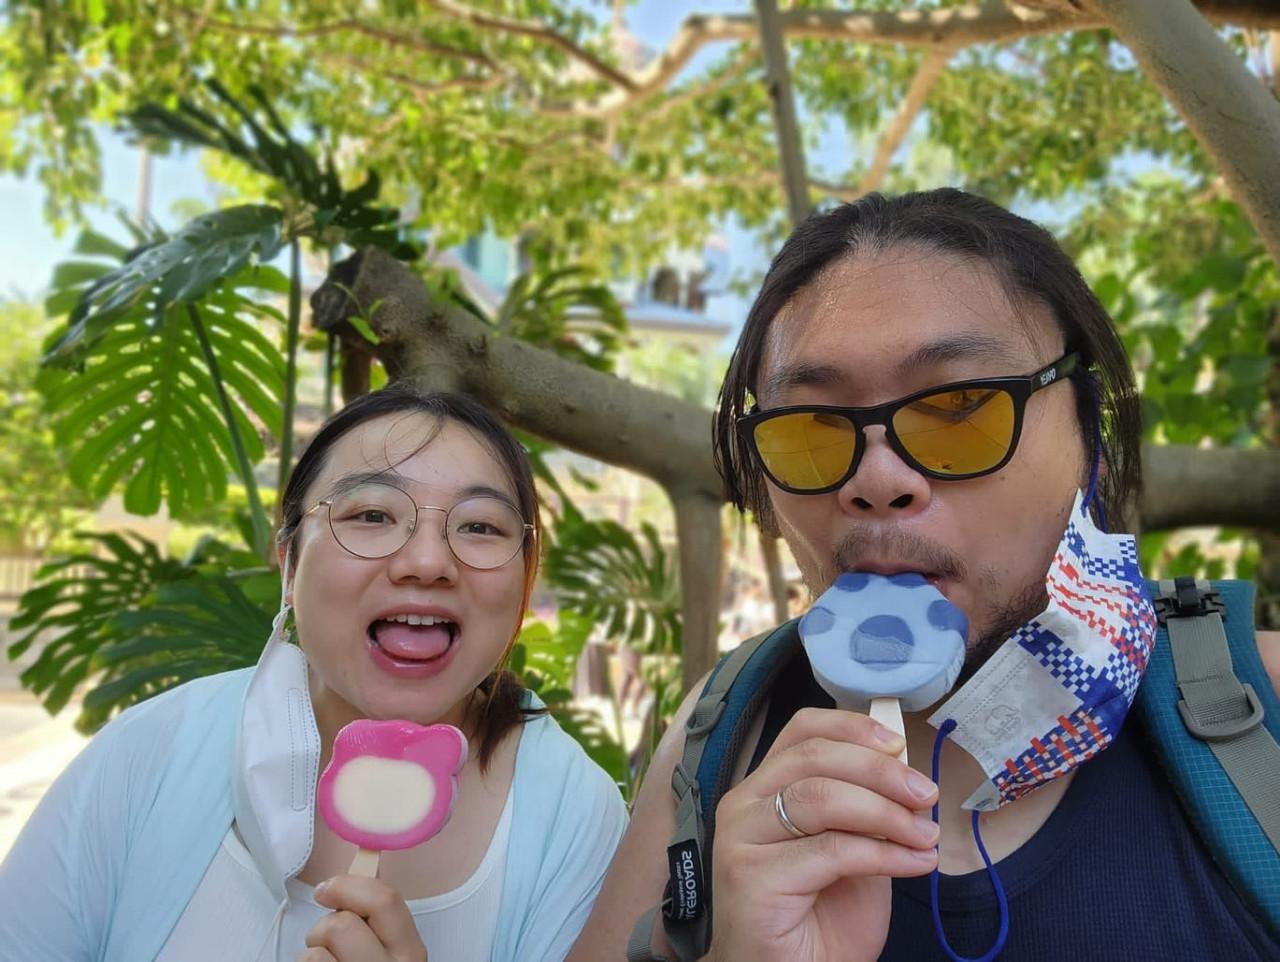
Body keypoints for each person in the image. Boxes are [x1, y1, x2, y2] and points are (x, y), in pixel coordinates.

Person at [570, 189, 1280, 961]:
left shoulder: (1261, 712)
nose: (877, 479)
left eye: (961, 407)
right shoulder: (716, 739)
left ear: (1090, 442)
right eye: (812, 427)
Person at [0, 388, 628, 961]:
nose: (428, 560)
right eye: (372, 515)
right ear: (289, 561)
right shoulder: (150, 753)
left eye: (480, 526)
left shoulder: (573, 814)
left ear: (524, 582)